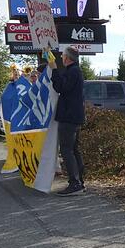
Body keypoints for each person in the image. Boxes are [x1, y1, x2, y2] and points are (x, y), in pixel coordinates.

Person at [50, 46, 86, 196]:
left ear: (67, 58)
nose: (61, 58)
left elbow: (61, 87)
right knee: (74, 150)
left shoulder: (73, 71)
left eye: (63, 56)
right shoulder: (75, 71)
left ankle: (75, 183)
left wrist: (53, 70)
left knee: (67, 150)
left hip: (69, 117)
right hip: (74, 116)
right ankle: (79, 182)